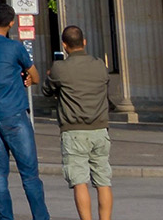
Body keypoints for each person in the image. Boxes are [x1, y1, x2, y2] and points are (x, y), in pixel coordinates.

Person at [0, 3, 51, 220]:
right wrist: (27, 78)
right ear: (11, 22)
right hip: (15, 114)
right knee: (29, 175)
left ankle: (4, 217)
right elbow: (35, 76)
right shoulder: (15, 48)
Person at [41, 25, 112, 220]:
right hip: (100, 129)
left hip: (73, 131)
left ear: (64, 45)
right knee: (103, 181)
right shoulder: (100, 65)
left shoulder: (60, 68)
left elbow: (46, 90)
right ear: (85, 42)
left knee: (80, 182)